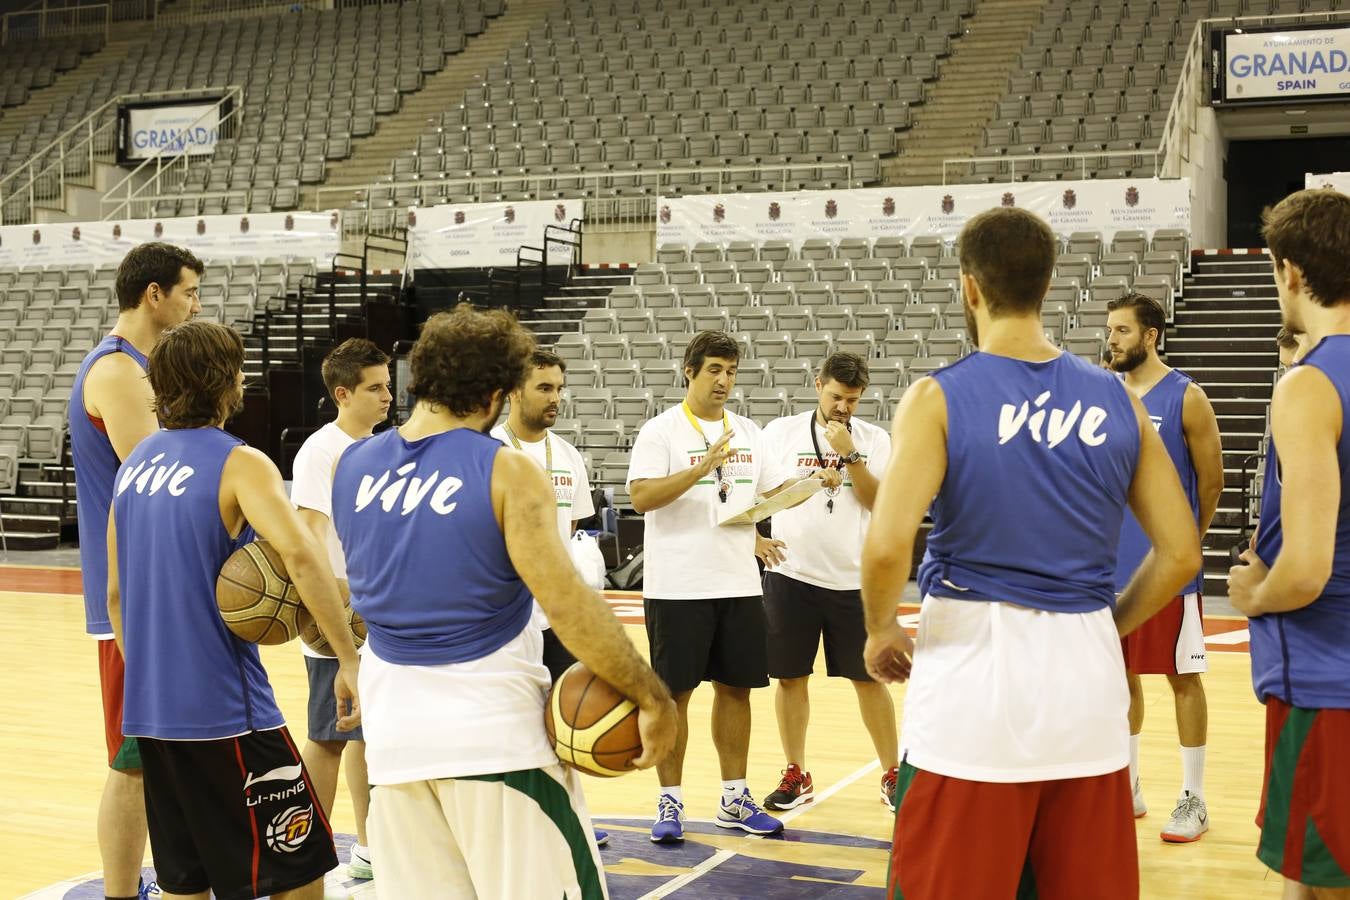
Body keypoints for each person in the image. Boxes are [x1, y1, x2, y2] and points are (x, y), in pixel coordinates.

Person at [860, 207, 1201, 900]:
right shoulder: (1118, 397)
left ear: (970, 289)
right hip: (1087, 691)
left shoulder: (938, 396)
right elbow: (1181, 554)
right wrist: (1108, 626)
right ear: (1048, 286)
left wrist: (878, 628)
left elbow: (888, 542)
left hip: (972, 691)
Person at [330, 305, 676, 897]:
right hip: (497, 746)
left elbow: (367, 592)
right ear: (497, 394)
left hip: (394, 747)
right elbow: (569, 605)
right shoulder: (507, 471)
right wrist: (652, 696)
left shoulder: (351, 465)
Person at [106, 320, 360, 900]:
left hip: (151, 712)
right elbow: (300, 553)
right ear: (225, 382)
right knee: (299, 871)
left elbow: (116, 595)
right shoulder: (241, 462)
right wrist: (347, 657)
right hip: (230, 712)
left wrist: (155, 675)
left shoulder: (135, 465)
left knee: (185, 879)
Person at [627, 330, 820, 843]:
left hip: (737, 583)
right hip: (677, 588)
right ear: (689, 371)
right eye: (714, 369)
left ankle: (734, 800)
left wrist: (809, 487)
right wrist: (701, 468)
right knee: (674, 697)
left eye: (731, 372)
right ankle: (670, 804)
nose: (724, 380)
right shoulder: (661, 431)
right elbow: (643, 497)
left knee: (737, 691)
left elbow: (771, 493)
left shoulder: (749, 432)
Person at [68, 242, 202, 900]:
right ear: (154, 295)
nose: (195, 304)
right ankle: (121, 893)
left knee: (157, 756)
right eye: (189, 291)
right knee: (134, 760)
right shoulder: (118, 371)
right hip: (132, 597)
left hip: (153, 590)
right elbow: (161, 481)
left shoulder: (142, 366)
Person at [1229, 188, 1350, 900]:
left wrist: (1254, 594)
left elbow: (1304, 570)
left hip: (1327, 679)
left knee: (1320, 882)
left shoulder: (1310, 384)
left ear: (1290, 273)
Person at [757, 351, 900, 813]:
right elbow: (759, 497)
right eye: (837, 397)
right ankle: (796, 771)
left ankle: (892, 772)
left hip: (853, 581)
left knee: (868, 680)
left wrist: (851, 455)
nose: (844, 407)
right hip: (791, 575)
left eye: (853, 400)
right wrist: (755, 541)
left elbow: (882, 503)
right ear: (818, 384)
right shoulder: (779, 434)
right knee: (790, 677)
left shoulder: (876, 440)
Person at [1105, 293, 1223, 841]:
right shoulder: (1104, 396)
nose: (1112, 340)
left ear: (1151, 334)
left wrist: (1185, 550)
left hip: (1167, 571)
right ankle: (1128, 785)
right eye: (1110, 331)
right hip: (1111, 569)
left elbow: (1213, 481)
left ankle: (1194, 798)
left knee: (1182, 678)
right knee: (1119, 678)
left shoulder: (1187, 396)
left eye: (1123, 331)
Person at [489, 349, 609, 849]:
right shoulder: (489, 448)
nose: (556, 397)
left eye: (559, 388)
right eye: (544, 388)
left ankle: (567, 814)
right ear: (514, 391)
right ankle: (511, 819)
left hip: (558, 614)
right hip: (505, 616)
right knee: (509, 720)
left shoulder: (568, 454)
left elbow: (573, 530)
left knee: (566, 720)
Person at [290, 338, 391, 881]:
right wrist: (336, 594)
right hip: (338, 618)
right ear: (342, 392)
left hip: (382, 611)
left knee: (369, 732)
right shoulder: (321, 450)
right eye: (374, 387)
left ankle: (372, 845)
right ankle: (307, 850)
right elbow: (305, 535)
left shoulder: (383, 446)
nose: (387, 395)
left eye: (388, 385)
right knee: (329, 737)